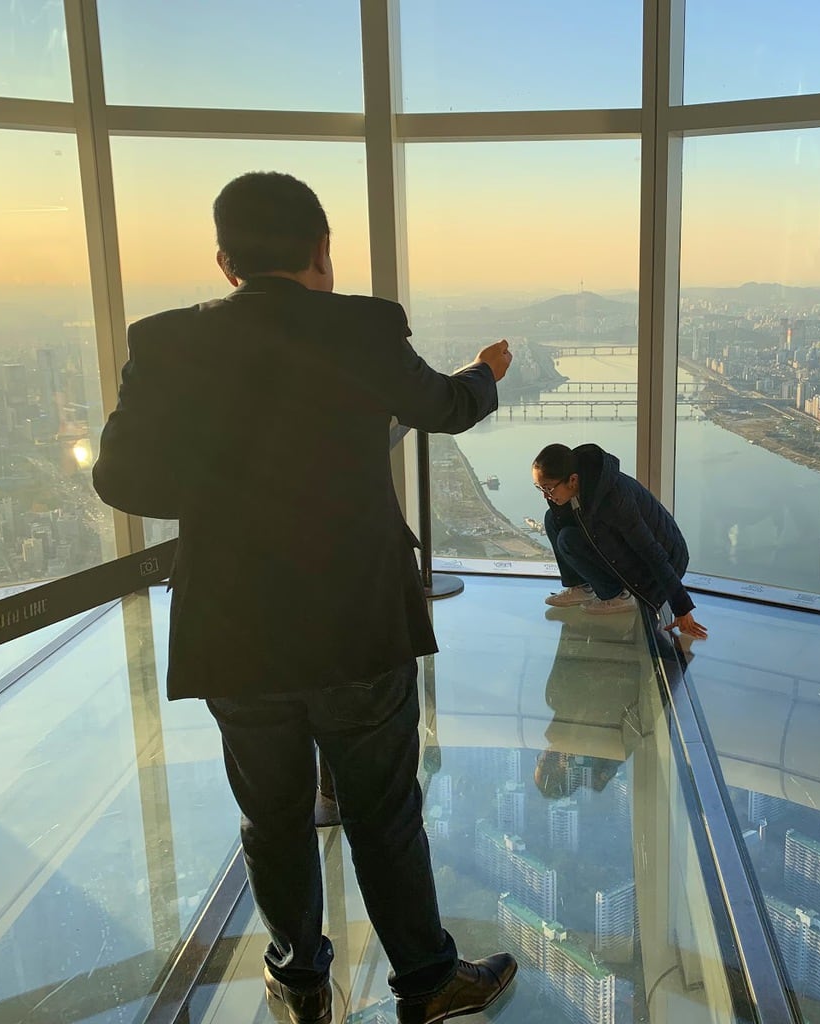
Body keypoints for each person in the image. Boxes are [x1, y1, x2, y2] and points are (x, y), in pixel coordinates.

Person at [92, 172, 516, 1024]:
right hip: (356, 621)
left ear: (224, 262)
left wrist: (228, 479)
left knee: (272, 817)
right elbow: (443, 407)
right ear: (322, 250)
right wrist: (485, 372)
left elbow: (121, 479)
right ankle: (429, 983)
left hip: (233, 629)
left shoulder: (165, 342)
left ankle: (298, 979)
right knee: (383, 813)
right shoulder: (364, 325)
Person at [532, 442, 707, 639]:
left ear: (572, 480)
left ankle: (618, 596)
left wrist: (682, 608)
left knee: (568, 539)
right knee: (552, 519)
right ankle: (582, 587)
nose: (545, 495)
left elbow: (650, 550)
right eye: (540, 488)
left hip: (668, 557)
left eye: (548, 489)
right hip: (634, 548)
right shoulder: (580, 483)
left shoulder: (614, 501)